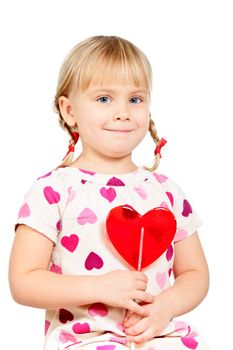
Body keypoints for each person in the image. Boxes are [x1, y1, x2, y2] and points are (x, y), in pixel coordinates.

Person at [9, 35, 210, 350]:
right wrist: (99, 287)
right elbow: (23, 282)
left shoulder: (166, 192)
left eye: (135, 99)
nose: (123, 112)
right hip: (85, 340)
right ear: (69, 110)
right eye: (104, 99)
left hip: (159, 335)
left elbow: (195, 273)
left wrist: (166, 306)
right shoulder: (52, 190)